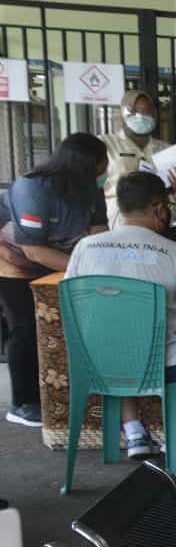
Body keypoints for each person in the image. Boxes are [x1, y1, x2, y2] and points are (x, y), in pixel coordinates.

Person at [65, 172, 176, 460]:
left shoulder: (84, 247)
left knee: (116, 343)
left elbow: (74, 307)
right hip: (161, 364)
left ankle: (134, 433)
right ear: (159, 207)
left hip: (97, 362)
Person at [0, 133, 109, 428]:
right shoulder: (32, 188)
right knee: (25, 326)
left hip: (62, 258)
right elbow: (32, 249)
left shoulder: (90, 188)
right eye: (102, 163)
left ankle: (67, 392)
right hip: (14, 258)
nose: (105, 170)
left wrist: (97, 263)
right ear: (84, 165)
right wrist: (82, 269)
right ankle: (23, 403)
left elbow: (98, 232)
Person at [101, 89, 176, 227]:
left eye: (147, 111)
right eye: (135, 111)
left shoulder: (168, 150)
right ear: (123, 113)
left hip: (159, 222)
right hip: (117, 222)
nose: (141, 116)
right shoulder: (105, 144)